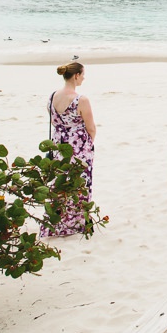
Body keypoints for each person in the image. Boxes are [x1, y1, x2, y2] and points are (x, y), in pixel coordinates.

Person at [41, 61, 97, 238]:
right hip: (78, 145)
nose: (84, 78)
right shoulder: (81, 99)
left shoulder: (52, 97)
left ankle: (57, 223)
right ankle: (77, 223)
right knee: (80, 184)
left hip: (58, 143)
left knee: (59, 184)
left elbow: (54, 122)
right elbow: (91, 128)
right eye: (82, 74)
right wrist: (88, 145)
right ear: (76, 75)